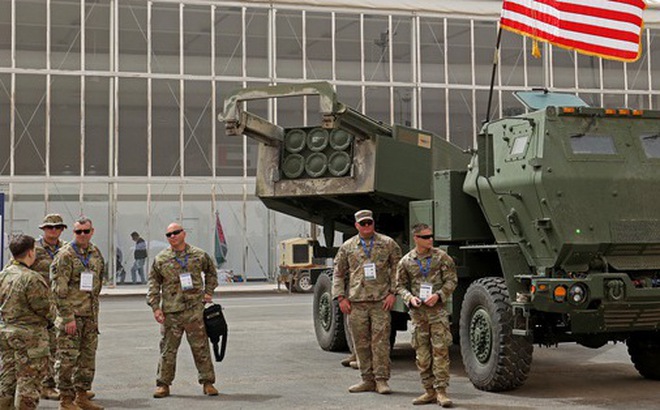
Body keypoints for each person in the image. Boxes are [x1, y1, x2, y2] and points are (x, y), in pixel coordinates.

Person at [332, 209, 402, 394]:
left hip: (380, 301)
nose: (366, 226)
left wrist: (393, 293)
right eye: (362, 223)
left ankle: (381, 380)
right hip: (356, 302)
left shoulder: (388, 244)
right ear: (356, 226)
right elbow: (338, 274)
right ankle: (366, 380)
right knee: (360, 344)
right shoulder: (347, 247)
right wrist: (340, 298)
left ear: (373, 223)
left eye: (369, 222)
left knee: (381, 343)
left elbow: (398, 269)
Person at [146, 222, 219, 399]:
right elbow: (153, 283)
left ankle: (208, 382)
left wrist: (208, 292)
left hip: (194, 310)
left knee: (200, 347)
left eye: (176, 233)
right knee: (167, 350)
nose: (172, 237)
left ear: (184, 234)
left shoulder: (198, 255)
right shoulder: (161, 259)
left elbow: (211, 272)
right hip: (171, 312)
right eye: (169, 234)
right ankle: (163, 384)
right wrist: (155, 307)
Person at [396, 223, 457, 407]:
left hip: (437, 314)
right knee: (422, 356)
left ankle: (441, 392)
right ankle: (428, 391)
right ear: (416, 238)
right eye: (425, 237)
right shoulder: (406, 261)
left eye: (431, 236)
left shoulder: (441, 258)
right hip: (418, 316)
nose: (430, 239)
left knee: (440, 353)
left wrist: (439, 295)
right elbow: (399, 285)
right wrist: (410, 299)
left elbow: (452, 280)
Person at [51, 217, 105, 410]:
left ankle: (82, 396)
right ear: (73, 233)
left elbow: (99, 280)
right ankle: (66, 400)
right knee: (67, 359)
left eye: (86, 231)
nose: (82, 235)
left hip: (90, 316)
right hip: (71, 317)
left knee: (87, 359)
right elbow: (58, 290)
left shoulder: (95, 252)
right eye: (78, 231)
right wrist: (67, 317)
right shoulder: (65, 255)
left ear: (92, 231)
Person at [0, 234, 55, 410]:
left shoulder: (4, 275)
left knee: (7, 380)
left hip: (7, 334)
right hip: (30, 338)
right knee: (28, 384)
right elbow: (45, 308)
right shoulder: (32, 278)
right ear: (30, 252)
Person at [33, 214, 68, 401]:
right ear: (43, 229)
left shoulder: (67, 249)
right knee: (39, 348)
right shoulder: (33, 249)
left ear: (62, 229)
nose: (53, 231)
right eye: (49, 227)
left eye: (56, 227)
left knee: (57, 347)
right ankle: (41, 386)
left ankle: (50, 385)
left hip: (59, 306)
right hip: (38, 307)